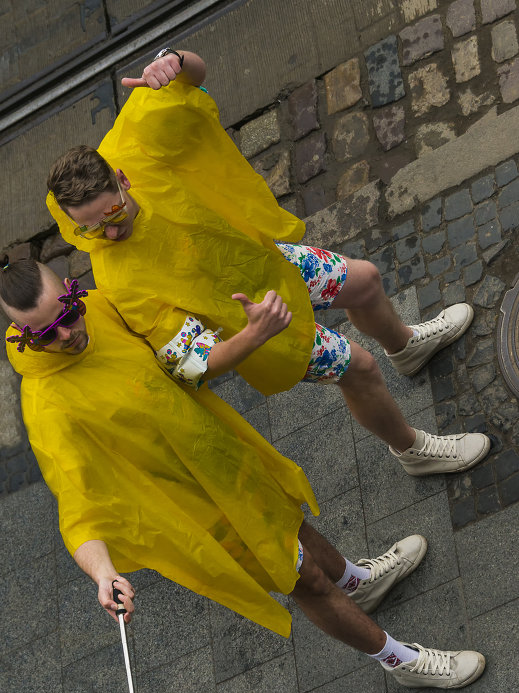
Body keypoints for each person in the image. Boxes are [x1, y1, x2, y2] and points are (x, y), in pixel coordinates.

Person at [0, 257, 485, 689]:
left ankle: (358, 582)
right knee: (306, 581)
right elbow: (77, 507)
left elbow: (180, 356)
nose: (65, 334)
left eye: (66, 314)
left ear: (72, 289)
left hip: (225, 457)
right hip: (202, 513)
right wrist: (104, 574)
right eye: (45, 334)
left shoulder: (101, 306)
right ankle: (399, 661)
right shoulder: (48, 408)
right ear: (24, 336)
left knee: (292, 523)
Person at [45, 49, 490, 477]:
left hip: (266, 261)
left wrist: (174, 60)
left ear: (122, 179)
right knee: (360, 369)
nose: (109, 235)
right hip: (253, 325)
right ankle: (413, 450)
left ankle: (407, 349)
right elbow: (191, 363)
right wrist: (257, 333)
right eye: (88, 230)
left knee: (367, 281)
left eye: (113, 215)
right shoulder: (119, 280)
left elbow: (194, 76)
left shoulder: (134, 141)